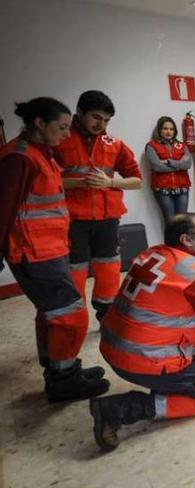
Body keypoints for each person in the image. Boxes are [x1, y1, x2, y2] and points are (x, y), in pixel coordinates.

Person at [90, 213, 195, 452]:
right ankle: (119, 409)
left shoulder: (150, 254)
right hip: (142, 359)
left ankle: (172, 379)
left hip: (114, 348)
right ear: (186, 240)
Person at [0, 97, 109, 402]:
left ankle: (62, 369)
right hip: (34, 253)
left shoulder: (41, 153)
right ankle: (64, 382)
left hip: (49, 248)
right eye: (61, 127)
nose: (66, 134)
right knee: (70, 316)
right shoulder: (20, 158)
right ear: (39, 124)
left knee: (53, 314)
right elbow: (4, 209)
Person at [56, 90, 142, 321]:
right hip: (72, 218)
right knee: (75, 269)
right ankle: (76, 314)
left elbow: (137, 181)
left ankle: (106, 308)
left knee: (109, 266)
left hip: (107, 217)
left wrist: (111, 182)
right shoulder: (59, 139)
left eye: (106, 120)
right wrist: (79, 182)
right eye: (96, 117)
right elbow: (43, 180)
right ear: (80, 113)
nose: (101, 124)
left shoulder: (114, 144)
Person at [145, 116, 192, 224]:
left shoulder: (181, 145)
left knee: (182, 220)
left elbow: (188, 164)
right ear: (159, 130)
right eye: (165, 128)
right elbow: (156, 166)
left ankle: (182, 241)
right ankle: (171, 242)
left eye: (171, 129)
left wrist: (169, 162)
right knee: (170, 221)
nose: (168, 132)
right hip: (163, 189)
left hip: (182, 188)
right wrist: (179, 164)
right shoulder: (151, 146)